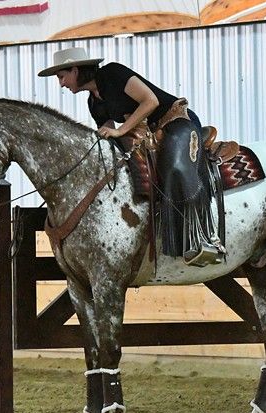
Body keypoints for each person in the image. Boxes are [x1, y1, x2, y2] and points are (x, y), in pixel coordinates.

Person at [38, 47, 225, 266]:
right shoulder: (94, 103)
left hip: (175, 120)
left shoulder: (113, 73)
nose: (61, 84)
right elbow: (107, 138)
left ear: (76, 70)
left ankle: (206, 238)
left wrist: (120, 130)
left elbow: (151, 101)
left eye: (62, 76)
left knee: (175, 166)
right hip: (149, 133)